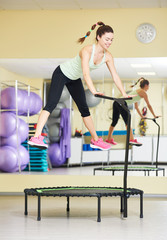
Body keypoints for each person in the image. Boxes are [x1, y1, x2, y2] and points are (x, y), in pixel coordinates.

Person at [28, 21, 129, 150]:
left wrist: (124, 93)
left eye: (111, 40)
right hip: (62, 73)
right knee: (51, 104)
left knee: (84, 109)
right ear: (98, 37)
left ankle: (96, 140)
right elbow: (86, 74)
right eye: (107, 39)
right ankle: (36, 137)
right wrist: (93, 91)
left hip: (74, 78)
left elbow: (115, 76)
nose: (109, 42)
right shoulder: (86, 50)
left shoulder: (108, 56)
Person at [106, 77, 159, 146]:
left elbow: (136, 107)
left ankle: (109, 139)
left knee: (114, 121)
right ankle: (131, 139)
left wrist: (142, 116)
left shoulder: (138, 91)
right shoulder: (143, 93)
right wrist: (154, 115)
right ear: (146, 85)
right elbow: (149, 105)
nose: (148, 87)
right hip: (122, 103)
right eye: (148, 86)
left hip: (117, 102)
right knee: (127, 122)